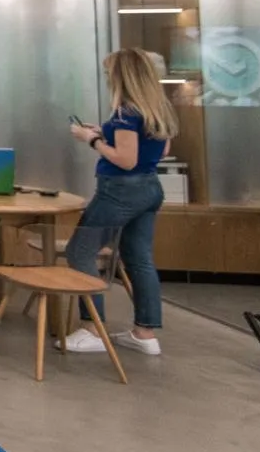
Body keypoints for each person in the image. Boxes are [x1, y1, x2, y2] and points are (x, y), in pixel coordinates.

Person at [62, 48, 176, 356]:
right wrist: (107, 133)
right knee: (139, 258)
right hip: (150, 188)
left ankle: (92, 329)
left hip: (120, 191)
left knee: (79, 251)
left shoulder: (126, 112)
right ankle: (145, 333)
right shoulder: (157, 109)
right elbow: (162, 151)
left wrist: (91, 139)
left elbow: (126, 160)